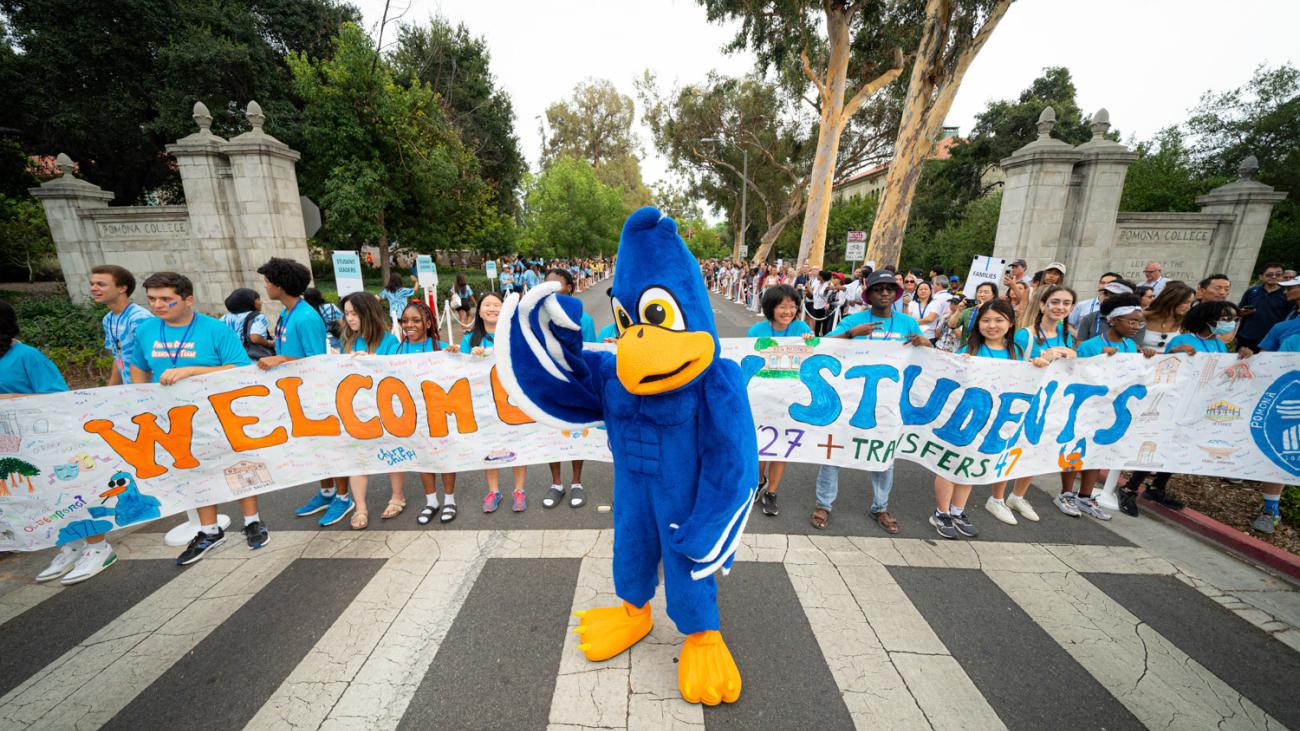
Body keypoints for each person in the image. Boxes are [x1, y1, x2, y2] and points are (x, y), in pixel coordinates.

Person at [127, 272, 265, 564]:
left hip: (219, 413)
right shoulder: (146, 330)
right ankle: (209, 530)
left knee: (237, 465)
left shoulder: (215, 330)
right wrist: (137, 397)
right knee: (194, 469)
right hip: (173, 417)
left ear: (188, 300)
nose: (158, 306)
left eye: (167, 299)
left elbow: (240, 368)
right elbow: (138, 366)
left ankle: (252, 520)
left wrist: (192, 371)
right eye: (152, 299)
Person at [806, 270, 930, 534]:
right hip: (850, 402)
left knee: (884, 456)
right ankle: (823, 504)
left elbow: (931, 359)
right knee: (833, 452)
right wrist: (851, 333)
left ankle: (880, 507)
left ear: (895, 294)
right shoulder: (855, 320)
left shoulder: (908, 323)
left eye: (888, 289)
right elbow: (824, 345)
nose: (884, 293)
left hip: (887, 405)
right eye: (878, 289)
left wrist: (924, 342)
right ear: (868, 294)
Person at [3, 300, 106, 585]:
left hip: (45, 443)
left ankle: (98, 546)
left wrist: (10, 400)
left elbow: (57, 397)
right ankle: (70, 545)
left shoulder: (27, 356)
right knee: (40, 499)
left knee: (68, 494)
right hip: (12, 448)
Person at [937, 300, 1048, 537]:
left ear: (1010, 324)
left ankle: (958, 511)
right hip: (961, 420)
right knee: (950, 465)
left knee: (970, 466)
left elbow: (1029, 379)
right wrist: (959, 366)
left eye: (999, 320)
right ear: (978, 323)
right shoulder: (968, 350)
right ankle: (941, 512)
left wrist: (1037, 365)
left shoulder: (1017, 352)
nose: (992, 325)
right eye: (986, 320)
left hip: (992, 422)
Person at [984, 287, 1078, 525]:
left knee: (1034, 449)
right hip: (1021, 401)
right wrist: (1039, 360)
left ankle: (1018, 496)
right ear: (1043, 305)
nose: (1060, 307)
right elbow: (1011, 364)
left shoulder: (1068, 336)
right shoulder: (1024, 335)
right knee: (1009, 449)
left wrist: (1071, 355)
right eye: (1055, 302)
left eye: (1066, 303)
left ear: (1072, 308)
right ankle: (996, 498)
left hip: (1051, 401)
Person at [1063, 293, 1156, 522]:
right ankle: (1065, 493)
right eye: (1131, 321)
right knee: (1076, 450)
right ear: (1114, 320)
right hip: (1086, 408)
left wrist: (1146, 357)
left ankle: (1085, 496)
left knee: (1098, 453)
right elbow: (1077, 374)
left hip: (1111, 411)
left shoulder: (1130, 346)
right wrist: (1099, 358)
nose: (1136, 326)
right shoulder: (1090, 346)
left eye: (1139, 322)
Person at [381, 300, 461, 525]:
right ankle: (431, 501)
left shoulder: (439, 346)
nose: (409, 325)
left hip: (439, 412)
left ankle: (449, 500)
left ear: (427, 323)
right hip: (412, 415)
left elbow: (459, 368)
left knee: (444, 457)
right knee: (423, 457)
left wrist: (455, 354)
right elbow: (376, 366)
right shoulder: (396, 349)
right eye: (405, 321)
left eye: (416, 320)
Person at [1238, 275, 1300, 533]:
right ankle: (1270, 510)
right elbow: (1265, 360)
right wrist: (1249, 356)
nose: (1286, 291)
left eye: (1292, 287)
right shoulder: (1282, 328)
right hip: (1287, 401)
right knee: (1283, 451)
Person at [333, 292, 399, 530]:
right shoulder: (347, 341)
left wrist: (371, 360)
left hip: (384, 407)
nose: (350, 318)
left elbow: (396, 372)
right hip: (355, 409)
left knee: (393, 451)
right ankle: (360, 506)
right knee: (357, 456)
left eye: (354, 313)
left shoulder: (389, 341)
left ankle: (397, 495)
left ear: (367, 313)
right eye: (347, 313)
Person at [747, 285, 812, 517]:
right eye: (783, 307)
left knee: (782, 447)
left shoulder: (801, 327)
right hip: (762, 398)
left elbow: (814, 353)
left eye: (793, 307)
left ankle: (772, 492)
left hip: (790, 399)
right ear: (771, 308)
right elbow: (747, 358)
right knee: (760, 447)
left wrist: (810, 341)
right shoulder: (757, 330)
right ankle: (759, 480)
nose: (788, 311)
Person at [460, 292, 529, 511]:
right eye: (487, 305)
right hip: (484, 402)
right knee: (491, 446)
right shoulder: (469, 339)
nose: (492, 309)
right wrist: (469, 355)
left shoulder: (514, 334)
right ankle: (493, 491)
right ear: (479, 311)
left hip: (511, 400)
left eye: (497, 305)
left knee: (516, 443)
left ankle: (519, 490)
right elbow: (457, 370)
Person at [541, 268, 596, 510]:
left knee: (576, 432)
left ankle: (576, 482)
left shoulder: (583, 318)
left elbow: (590, 351)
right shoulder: (537, 316)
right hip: (547, 383)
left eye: (556, 284)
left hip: (574, 384)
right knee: (551, 432)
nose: (549, 288)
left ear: (569, 288)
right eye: (546, 284)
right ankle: (556, 484)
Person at [89, 265, 153, 388]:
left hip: (147, 392)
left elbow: (150, 361)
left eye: (101, 284)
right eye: (92, 284)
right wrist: (111, 390)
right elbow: (118, 357)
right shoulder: (108, 319)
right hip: (129, 392)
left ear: (122, 288)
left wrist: (141, 394)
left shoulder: (139, 318)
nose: (93, 288)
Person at [1237, 262, 1289, 353]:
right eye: (1269, 274)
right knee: (1241, 365)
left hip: (1272, 339)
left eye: (1278, 274)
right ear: (1261, 277)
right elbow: (1238, 310)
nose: (1274, 277)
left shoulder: (1287, 294)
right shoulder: (1252, 291)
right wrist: (1242, 312)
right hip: (1247, 337)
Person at [1137, 282, 1195, 354]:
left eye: (1191, 303)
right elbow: (1131, 346)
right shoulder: (1142, 317)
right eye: (1186, 302)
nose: (1188, 307)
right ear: (1171, 300)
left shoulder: (1184, 322)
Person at [939, 282, 997, 352]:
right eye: (979, 292)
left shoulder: (998, 312)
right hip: (966, 350)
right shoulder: (969, 311)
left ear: (993, 296)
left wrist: (983, 309)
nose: (982, 294)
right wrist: (959, 310)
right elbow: (951, 325)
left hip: (986, 351)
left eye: (986, 292)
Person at [220, 288, 274, 360]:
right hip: (251, 359)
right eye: (258, 299)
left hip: (230, 358)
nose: (261, 302)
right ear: (248, 302)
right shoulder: (258, 317)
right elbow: (255, 338)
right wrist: (269, 343)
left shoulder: (225, 318)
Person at [303, 287, 343, 352]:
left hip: (316, 342)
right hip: (334, 339)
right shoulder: (330, 307)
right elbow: (342, 324)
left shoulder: (306, 312)